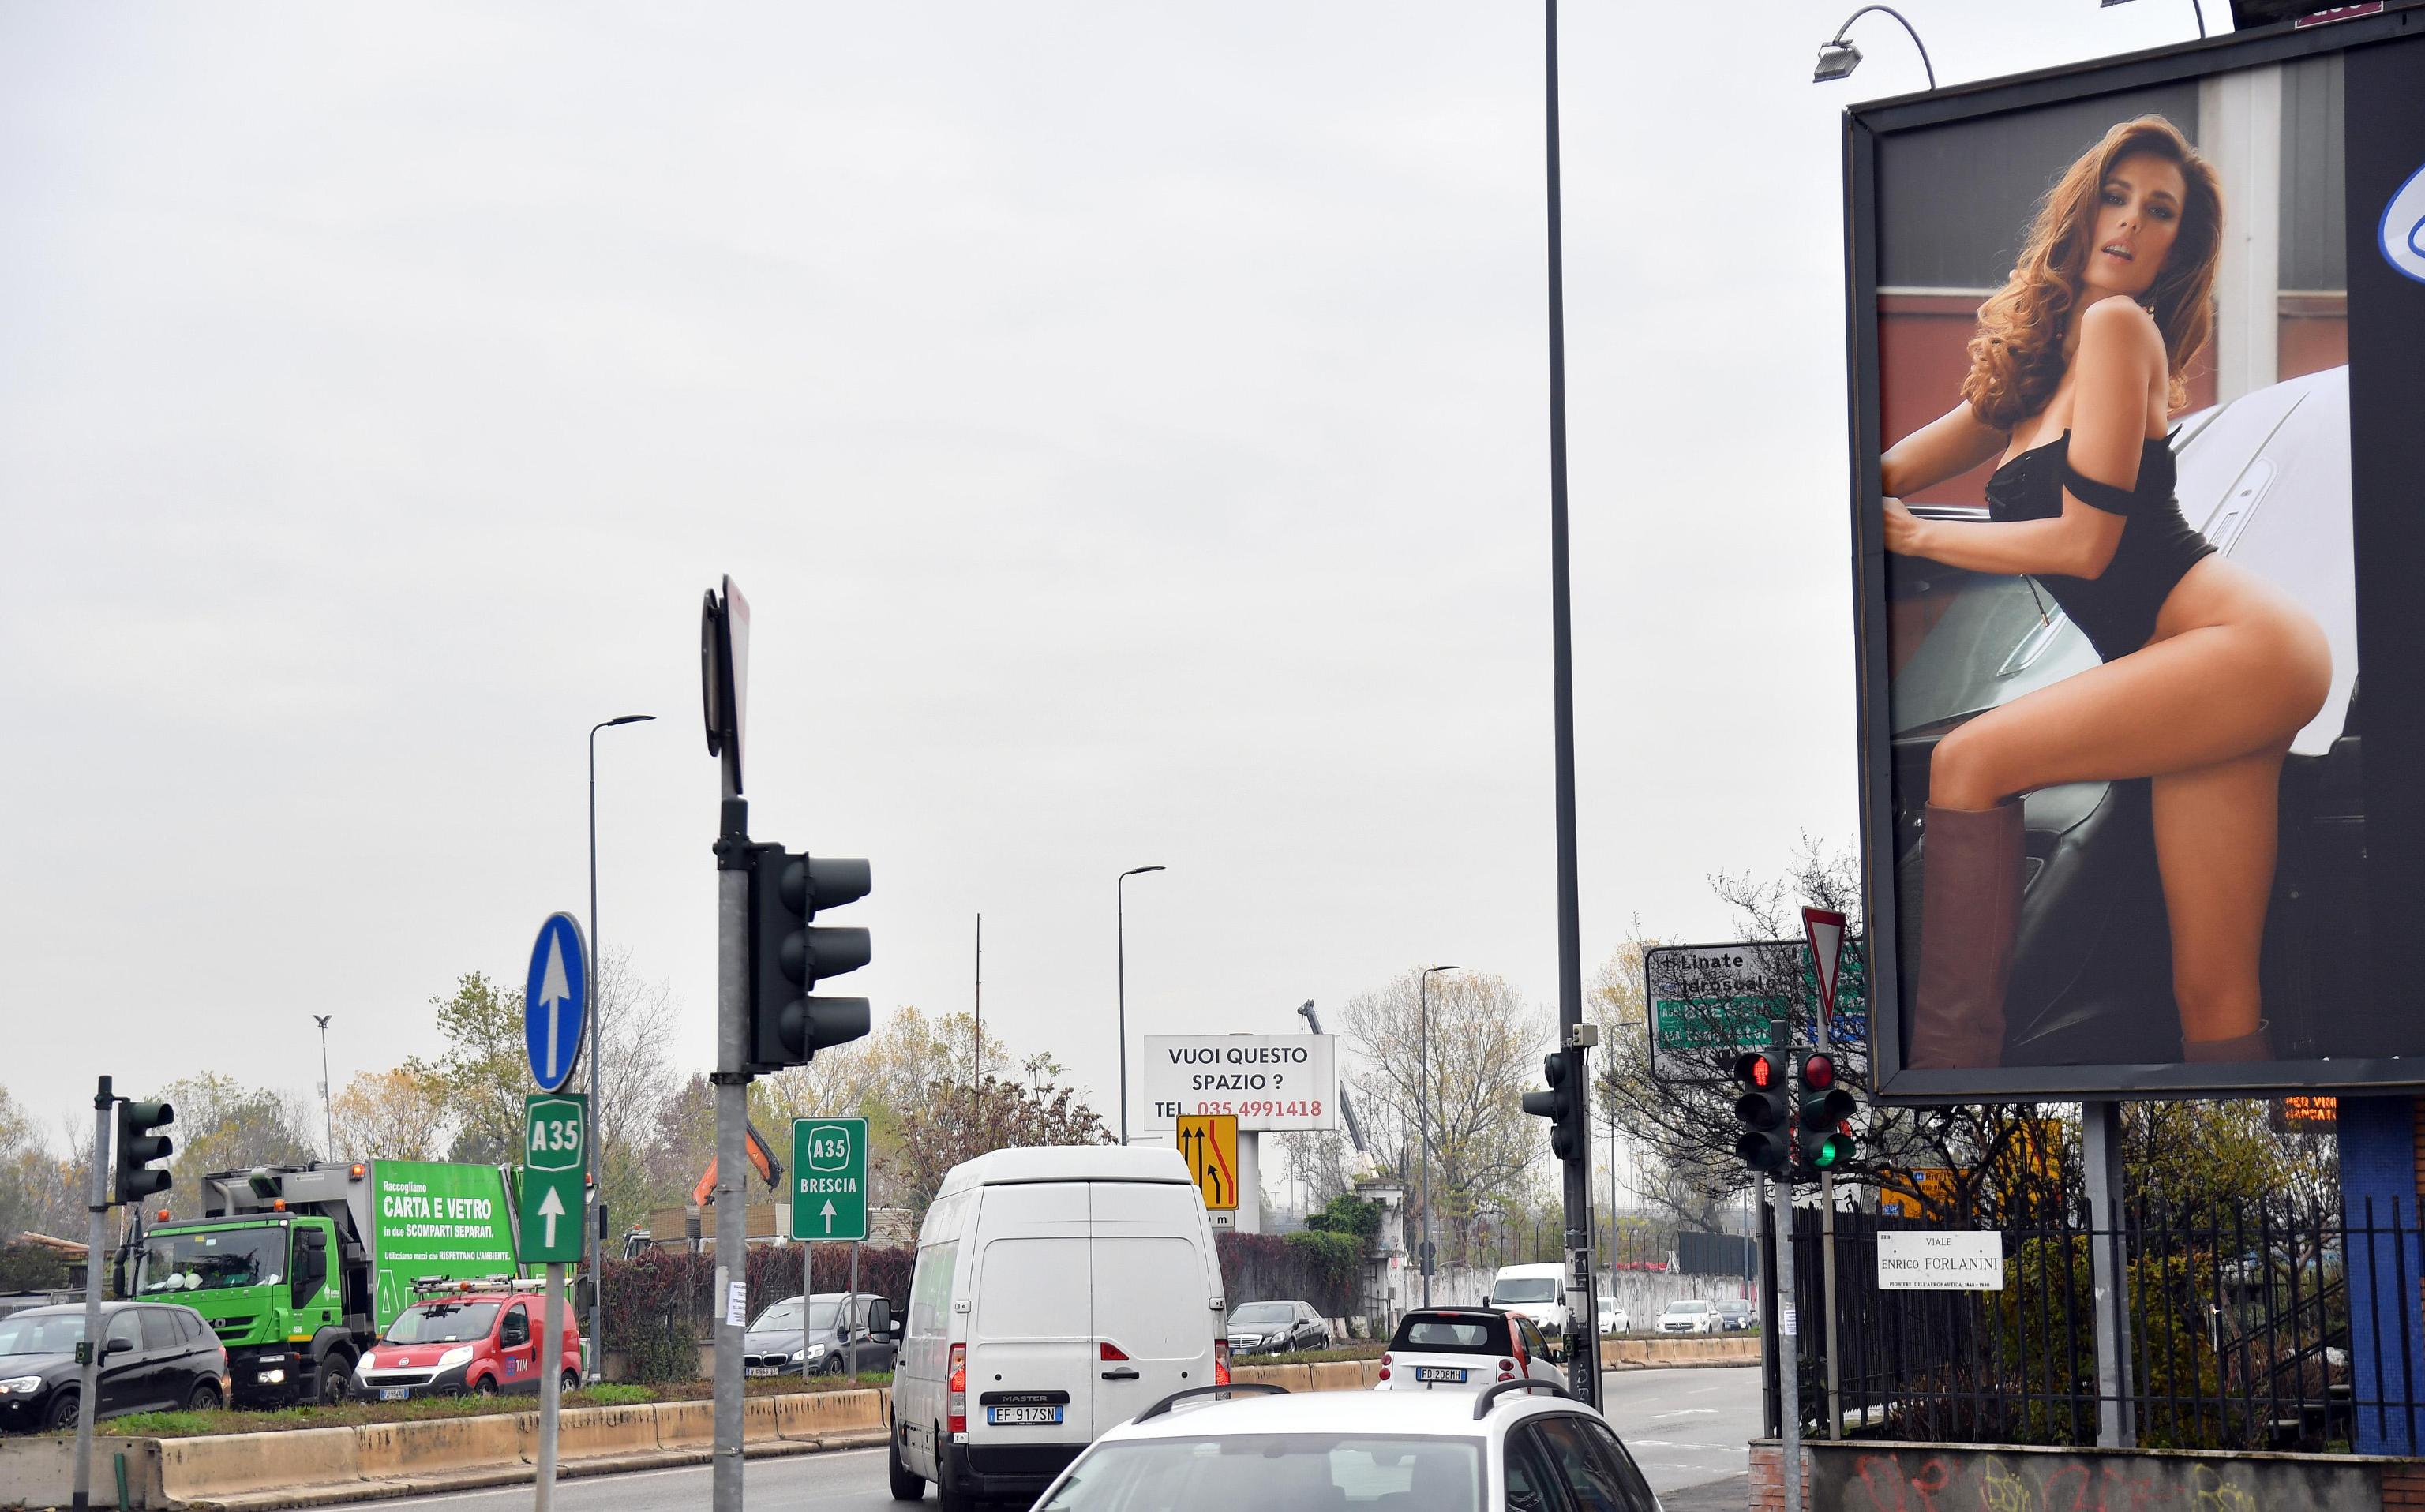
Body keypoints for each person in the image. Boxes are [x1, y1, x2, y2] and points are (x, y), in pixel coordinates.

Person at [1878, 116, 2329, 1068]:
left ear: (2178, 244)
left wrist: (1919, 537)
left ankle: (1948, 1080)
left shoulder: (2120, 328)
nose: (2130, 222)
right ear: (2081, 212)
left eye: (2158, 211)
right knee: (2212, 998)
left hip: (2239, 647)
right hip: (2200, 672)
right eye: (2116, 197)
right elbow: (1890, 469)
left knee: (1971, 760)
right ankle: (2284, 1200)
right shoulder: (2038, 365)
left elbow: (2087, 546)